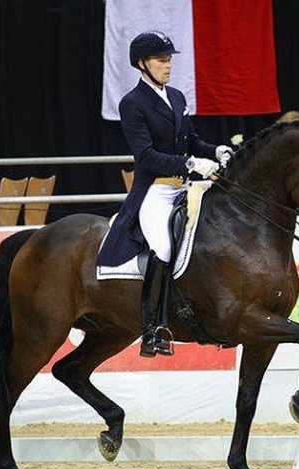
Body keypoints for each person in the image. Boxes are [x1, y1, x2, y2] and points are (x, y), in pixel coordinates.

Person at [97, 31, 232, 358]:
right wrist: (189, 163)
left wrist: (217, 150)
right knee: (163, 246)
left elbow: (193, 140)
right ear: (142, 64)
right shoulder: (132, 104)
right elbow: (145, 156)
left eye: (170, 59)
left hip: (186, 188)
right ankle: (151, 330)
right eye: (161, 60)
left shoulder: (177, 97)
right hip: (156, 191)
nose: (168, 65)